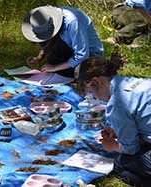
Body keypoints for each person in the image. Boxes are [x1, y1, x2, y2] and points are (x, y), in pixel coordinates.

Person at [75, 55, 151, 187]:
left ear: (97, 82)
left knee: (121, 163)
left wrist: (114, 146)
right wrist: (119, 131)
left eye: (91, 93)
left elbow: (131, 149)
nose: (96, 98)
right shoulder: (138, 82)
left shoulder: (116, 103)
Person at [21, 5, 104, 78]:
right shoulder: (49, 22)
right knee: (59, 69)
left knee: (80, 73)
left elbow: (82, 55)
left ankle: (65, 74)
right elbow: (49, 39)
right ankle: (60, 72)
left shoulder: (73, 23)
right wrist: (39, 57)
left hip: (90, 55)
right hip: (68, 48)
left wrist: (54, 67)